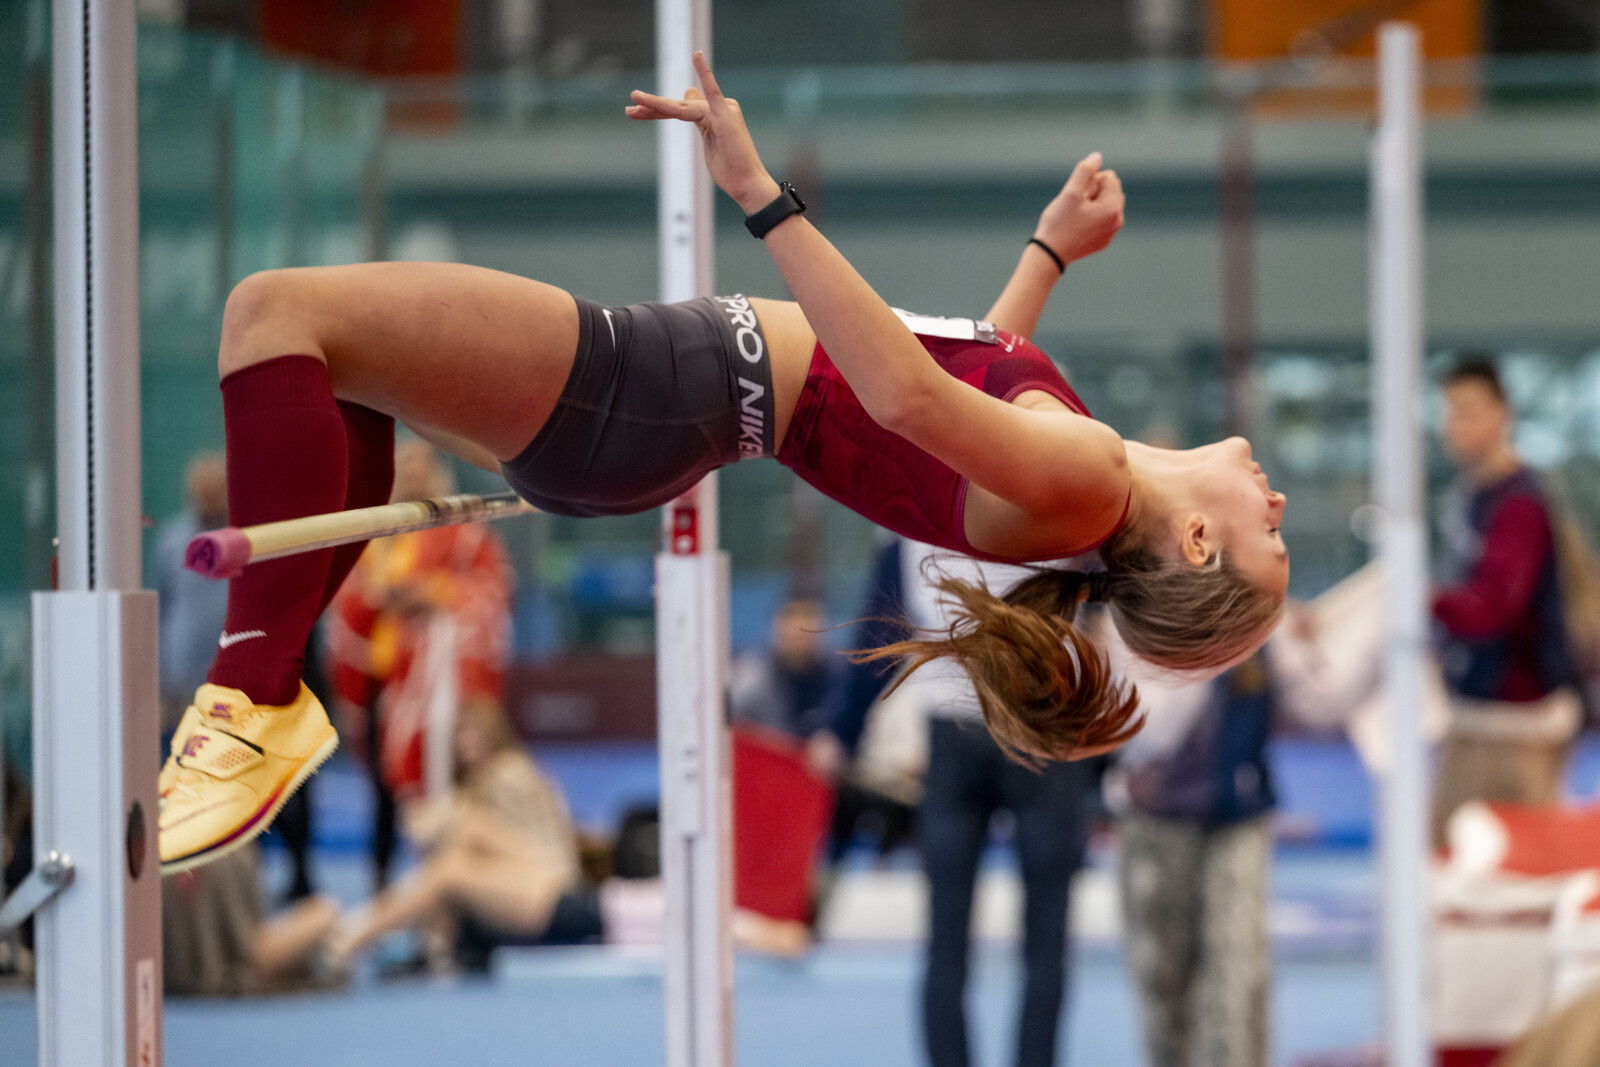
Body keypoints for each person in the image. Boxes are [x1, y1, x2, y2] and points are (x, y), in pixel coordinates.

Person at [157, 52, 1288, 872]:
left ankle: (254, 696)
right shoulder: (1081, 487)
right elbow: (968, 387)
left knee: (273, 313)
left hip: (659, 390)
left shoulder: (1090, 483)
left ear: (1197, 542)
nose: (1276, 499)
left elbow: (903, 392)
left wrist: (759, 195)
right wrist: (1048, 252)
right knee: (338, 369)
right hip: (659, 411)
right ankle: (269, 687)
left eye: (1270, 532)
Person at [898, 541, 1100, 1067]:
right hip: (1037, 719)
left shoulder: (918, 516)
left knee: (947, 939)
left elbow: (885, 599)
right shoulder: (1058, 499)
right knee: (1044, 938)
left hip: (962, 722)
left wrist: (842, 730)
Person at [326, 440, 515, 889]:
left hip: (446, 693)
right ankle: (383, 884)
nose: (411, 475)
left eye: (420, 467)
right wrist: (380, 600)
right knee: (384, 792)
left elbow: (492, 589)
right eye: (403, 467)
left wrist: (433, 595)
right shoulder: (372, 532)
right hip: (381, 683)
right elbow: (347, 603)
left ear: (437, 474)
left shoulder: (466, 533)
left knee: (459, 782)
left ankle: (459, 882)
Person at [1430, 358, 1582, 849]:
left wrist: (1425, 601)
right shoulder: (1469, 496)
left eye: (1468, 411)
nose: (1455, 426)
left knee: (1508, 860)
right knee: (1451, 851)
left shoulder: (1518, 504)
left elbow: (1495, 607)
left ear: (1502, 414)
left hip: (1518, 718)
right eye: (1450, 412)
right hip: (1479, 705)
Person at [321, 703, 581, 971]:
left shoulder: (507, 773)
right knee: (453, 860)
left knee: (455, 856)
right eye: (461, 739)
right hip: (535, 878)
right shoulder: (508, 775)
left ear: (493, 736)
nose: (467, 748)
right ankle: (427, 942)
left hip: (550, 883)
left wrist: (421, 817)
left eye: (474, 738)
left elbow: (434, 825)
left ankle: (357, 934)